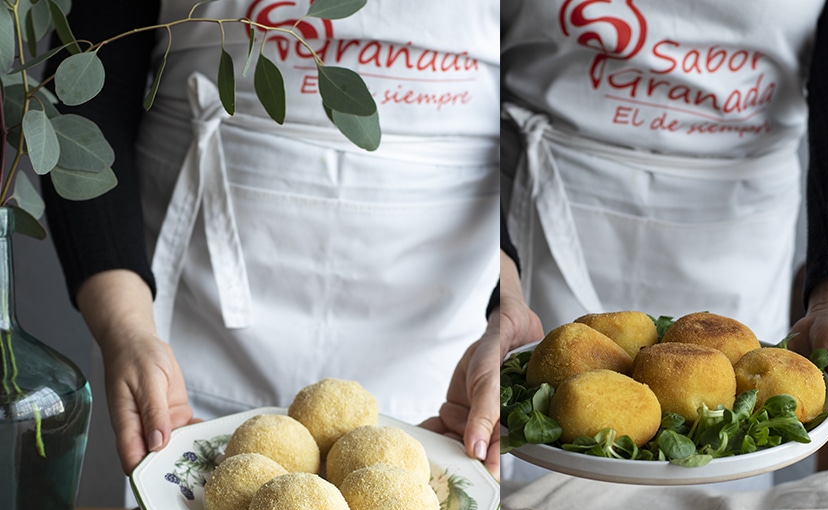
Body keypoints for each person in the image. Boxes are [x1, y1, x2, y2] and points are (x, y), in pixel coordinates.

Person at [42, 1, 504, 482]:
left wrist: (503, 312)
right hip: (184, 323)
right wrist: (128, 328)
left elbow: (523, 97)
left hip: (440, 331)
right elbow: (84, 93)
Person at [498, 0, 828, 482]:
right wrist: (495, 274)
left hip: (735, 213)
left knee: (716, 488)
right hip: (541, 197)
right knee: (531, 499)